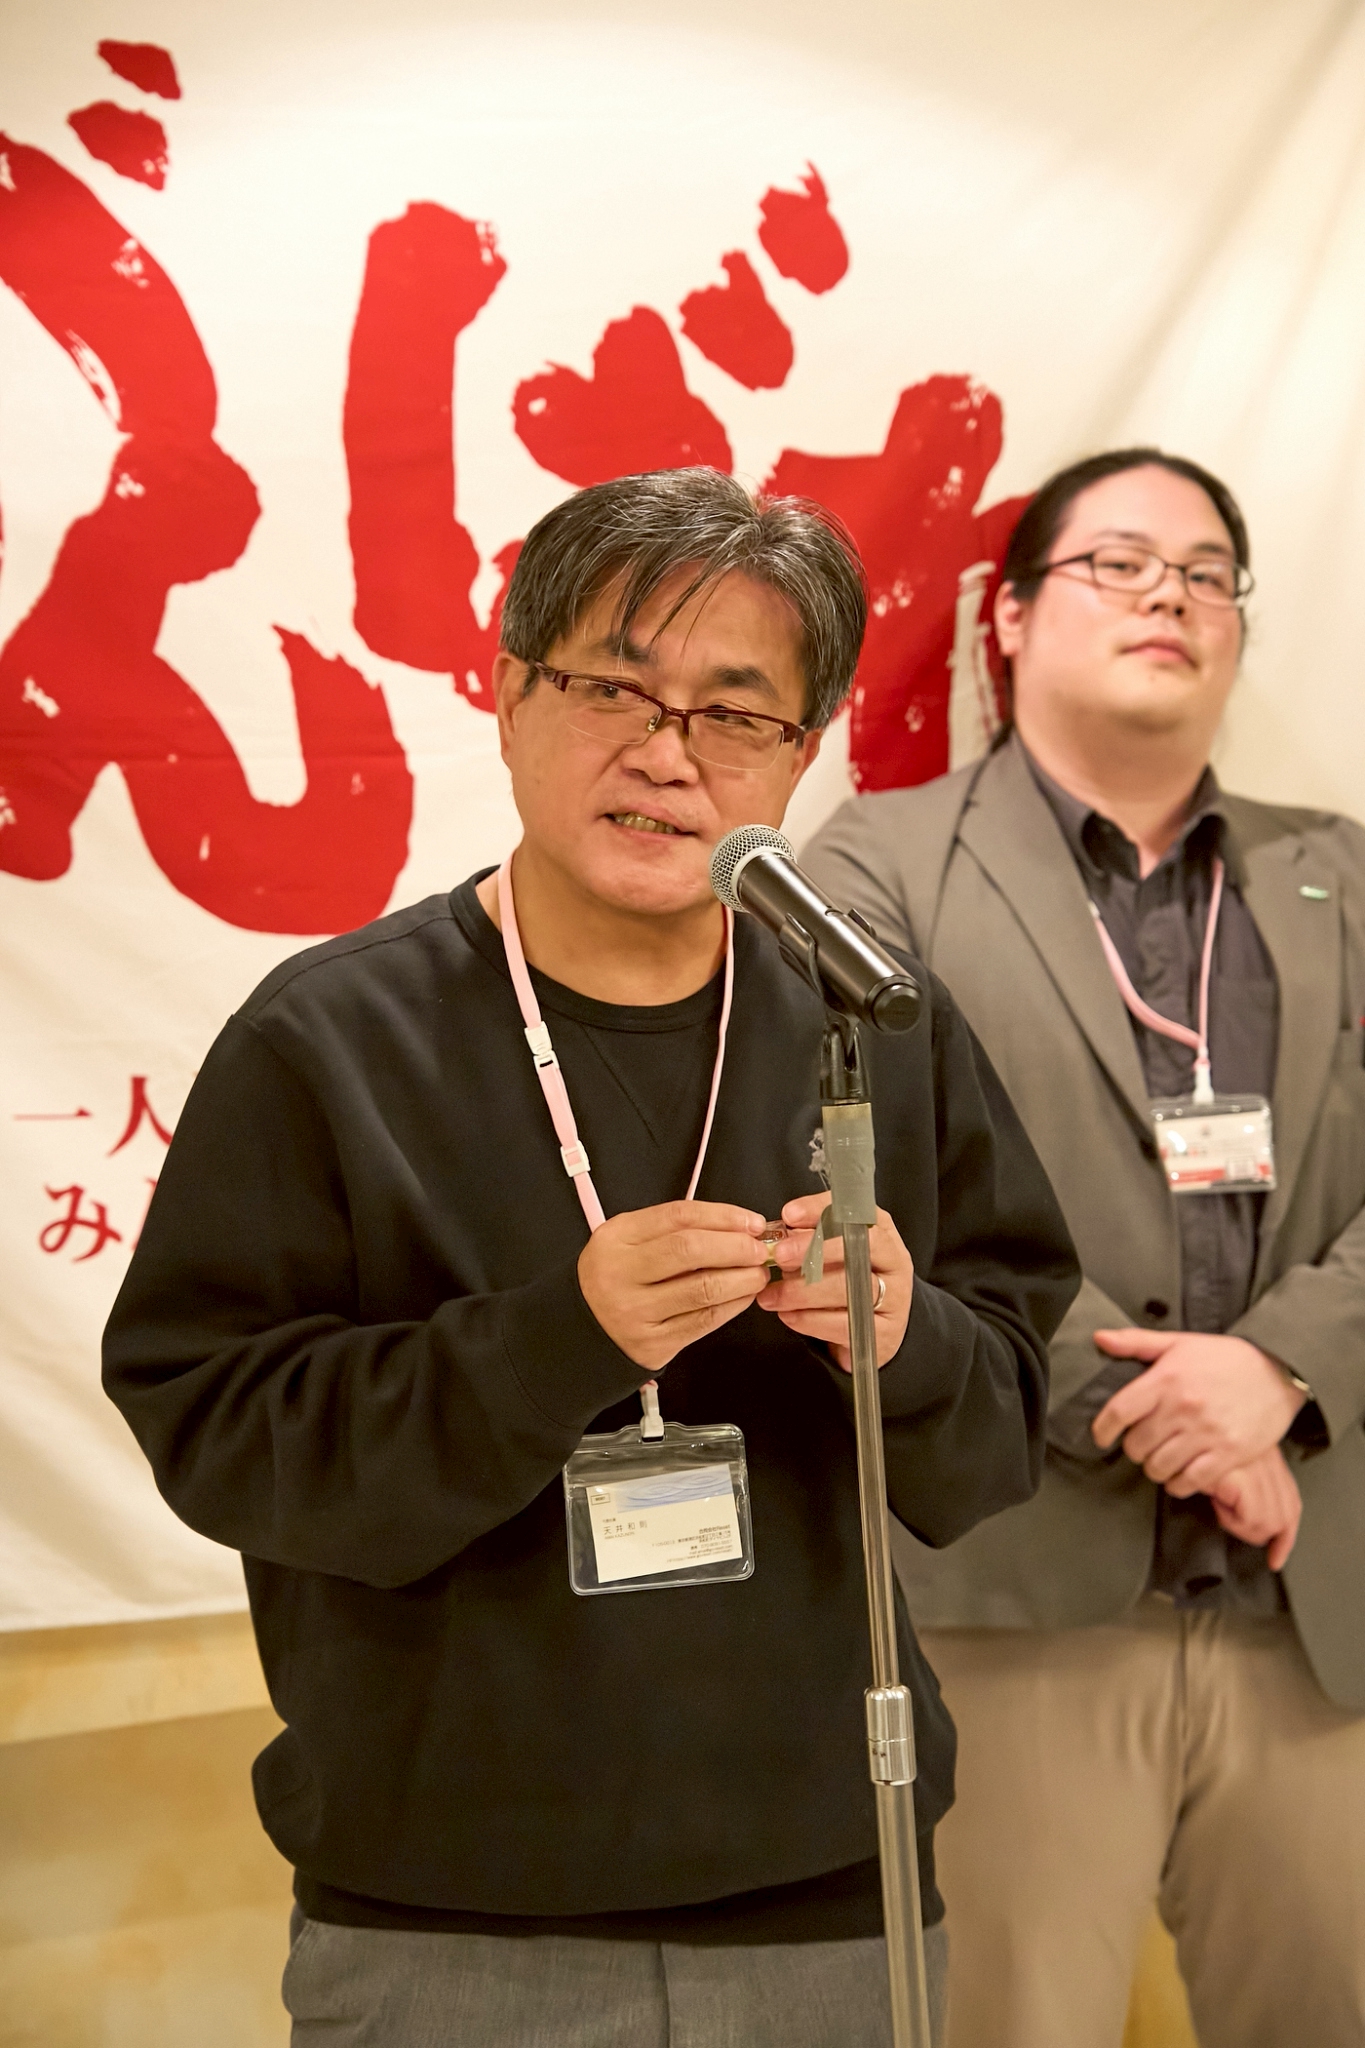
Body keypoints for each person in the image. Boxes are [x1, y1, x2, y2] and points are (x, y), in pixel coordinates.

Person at [103, 468, 1078, 2048]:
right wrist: (551, 1340)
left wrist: (906, 1339)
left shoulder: (869, 1023)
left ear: (801, 752)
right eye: (613, 689)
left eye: (733, 713)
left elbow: (1003, 1416)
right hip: (449, 1910)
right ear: (507, 697)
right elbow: (216, 1432)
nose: (665, 754)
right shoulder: (331, 1039)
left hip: (829, 1885)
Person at [803, 447, 1365, 2048]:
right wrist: (1155, 1409)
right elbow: (853, 1191)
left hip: (1313, 1597)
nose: (1164, 598)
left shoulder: (1339, 870)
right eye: (1117, 562)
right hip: (1016, 1593)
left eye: (1202, 574)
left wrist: (1278, 1372)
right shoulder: (875, 867)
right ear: (1007, 616)